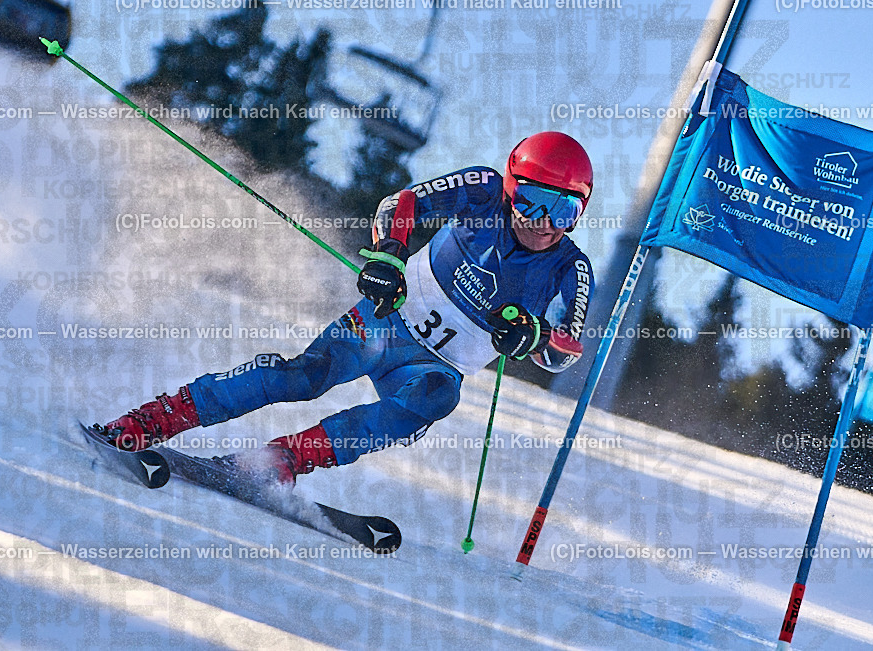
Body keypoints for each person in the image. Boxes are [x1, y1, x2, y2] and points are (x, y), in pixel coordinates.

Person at [96, 132, 595, 486]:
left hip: (435, 367)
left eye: (566, 211)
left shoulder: (571, 267)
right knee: (304, 377)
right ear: (511, 190)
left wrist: (534, 336)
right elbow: (401, 204)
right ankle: (152, 421)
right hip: (386, 321)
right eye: (533, 202)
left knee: (432, 402)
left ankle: (278, 462)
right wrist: (389, 258)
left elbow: (567, 349)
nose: (545, 224)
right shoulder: (483, 188)